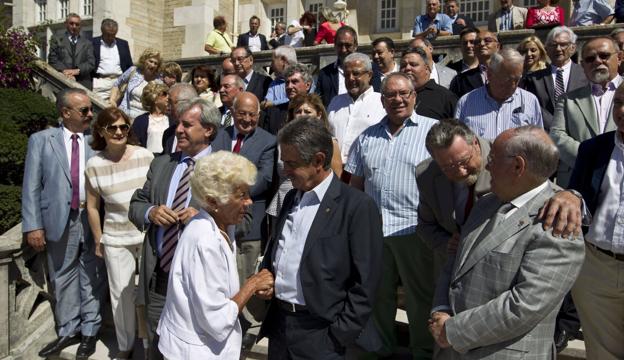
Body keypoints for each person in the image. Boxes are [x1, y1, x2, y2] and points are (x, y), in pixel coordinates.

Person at [418, 119, 585, 356]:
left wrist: (453, 330)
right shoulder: (485, 204)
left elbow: (523, 307)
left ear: (518, 166)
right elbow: (454, 267)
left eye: (493, 160)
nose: (487, 167)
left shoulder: (558, 224)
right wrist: (440, 309)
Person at [258, 116, 384, 358]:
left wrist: (339, 334)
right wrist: (269, 276)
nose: (285, 170)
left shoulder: (356, 207)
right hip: (281, 328)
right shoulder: (290, 198)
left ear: (318, 161)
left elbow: (366, 282)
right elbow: (279, 249)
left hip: (323, 335)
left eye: (291, 163)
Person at [345, 73, 438, 358]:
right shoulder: (366, 137)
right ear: (382, 100)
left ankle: (423, 351)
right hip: (376, 234)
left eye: (403, 94)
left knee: (420, 299)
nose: (397, 99)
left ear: (414, 97)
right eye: (390, 95)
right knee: (378, 298)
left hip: (415, 231)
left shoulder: (433, 131)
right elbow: (356, 188)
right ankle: (380, 350)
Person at [157, 151, 274, 359]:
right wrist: (252, 285)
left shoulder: (223, 226)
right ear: (213, 202)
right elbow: (216, 319)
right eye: (241, 196)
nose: (249, 202)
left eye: (248, 193)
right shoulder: (205, 240)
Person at [128, 97, 221, 359]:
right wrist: (151, 212)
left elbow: (244, 221)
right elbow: (136, 204)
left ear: (208, 130)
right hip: (160, 277)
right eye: (178, 123)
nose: (178, 129)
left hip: (199, 282)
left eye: (187, 125)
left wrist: (205, 217)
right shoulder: (162, 164)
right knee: (158, 348)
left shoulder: (224, 168)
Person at [22, 88, 105, 359]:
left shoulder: (98, 141)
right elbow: (31, 186)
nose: (90, 115)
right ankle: (69, 328)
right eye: (84, 110)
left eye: (91, 109)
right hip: (59, 220)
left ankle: (91, 330)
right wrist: (32, 225)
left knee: (92, 274)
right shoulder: (41, 140)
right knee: (62, 275)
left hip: (92, 218)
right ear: (65, 112)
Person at [85, 107, 154, 360]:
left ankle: (148, 345)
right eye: (112, 127)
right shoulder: (94, 165)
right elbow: (92, 207)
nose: (118, 131)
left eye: (123, 127)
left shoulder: (145, 156)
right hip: (114, 238)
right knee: (120, 295)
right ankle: (125, 346)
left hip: (147, 235)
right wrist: (98, 238)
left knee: (147, 292)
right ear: (101, 131)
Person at [211, 92, 276, 346]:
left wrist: (230, 191)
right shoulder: (219, 136)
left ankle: (248, 322)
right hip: (218, 222)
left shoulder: (268, 141)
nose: (247, 119)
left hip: (250, 221)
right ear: (233, 113)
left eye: (252, 115)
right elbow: (209, 168)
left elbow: (264, 179)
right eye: (242, 114)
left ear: (258, 116)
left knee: (246, 273)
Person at [568, 83, 624, 360]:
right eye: (619, 103)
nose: (623, 111)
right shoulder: (594, 149)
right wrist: (570, 197)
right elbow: (578, 194)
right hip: (596, 267)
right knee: (602, 352)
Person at [550, 37, 622, 187]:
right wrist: (590, 158)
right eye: (590, 59)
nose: (597, 61)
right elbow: (557, 136)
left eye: (604, 55)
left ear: (620, 57)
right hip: (577, 180)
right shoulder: (567, 100)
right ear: (583, 65)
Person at [267, 94, 344, 223]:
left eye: (307, 111)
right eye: (298, 111)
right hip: (284, 199)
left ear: (319, 114)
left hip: (315, 202)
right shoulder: (283, 142)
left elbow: (337, 177)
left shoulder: (330, 142)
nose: (302, 115)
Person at [456, 48, 543, 140]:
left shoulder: (530, 100)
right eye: (507, 80)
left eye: (517, 80)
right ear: (489, 75)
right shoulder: (466, 103)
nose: (513, 85)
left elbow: (539, 143)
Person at [523, 26, 588, 131]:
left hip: (579, 134)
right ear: (547, 49)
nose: (558, 49)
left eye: (563, 45)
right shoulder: (534, 79)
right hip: (547, 135)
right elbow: (535, 107)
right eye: (553, 45)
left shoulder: (585, 74)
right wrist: (556, 126)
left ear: (573, 48)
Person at [328, 53, 386, 165]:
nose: (350, 78)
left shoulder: (381, 102)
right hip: (335, 170)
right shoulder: (335, 102)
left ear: (369, 75)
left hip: (366, 170)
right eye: (347, 74)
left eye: (356, 73)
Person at [316, 26, 382, 107]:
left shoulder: (370, 69)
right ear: (335, 46)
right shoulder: (325, 74)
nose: (343, 50)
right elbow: (318, 103)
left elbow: (377, 96)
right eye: (340, 45)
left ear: (355, 46)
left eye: (348, 45)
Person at [400, 48, 458, 120]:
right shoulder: (395, 97)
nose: (407, 68)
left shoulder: (446, 98)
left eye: (413, 64)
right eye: (403, 66)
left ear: (427, 69)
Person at [110, 48, 163, 119]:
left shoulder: (158, 81)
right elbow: (117, 84)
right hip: (124, 115)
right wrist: (112, 100)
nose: (153, 65)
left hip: (143, 120)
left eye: (156, 63)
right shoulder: (133, 71)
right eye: (151, 61)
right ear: (144, 60)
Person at [48, 13, 95, 89]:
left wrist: (77, 71)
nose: (74, 26)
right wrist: (65, 71)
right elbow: (52, 59)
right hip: (61, 81)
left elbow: (91, 63)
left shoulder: (87, 43)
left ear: (80, 26)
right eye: (71, 23)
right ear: (66, 24)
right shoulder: (56, 39)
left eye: (77, 24)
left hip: (82, 83)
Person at [264, 63, 313, 135]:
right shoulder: (273, 113)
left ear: (307, 85)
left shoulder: (315, 111)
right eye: (287, 82)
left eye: (294, 82)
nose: (289, 86)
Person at [92, 18, 133, 103]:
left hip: (119, 82)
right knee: (99, 108)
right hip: (101, 82)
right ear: (102, 31)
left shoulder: (123, 44)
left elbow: (129, 65)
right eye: (108, 34)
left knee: (117, 111)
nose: (111, 37)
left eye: (113, 34)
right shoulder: (92, 42)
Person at [450, 30, 500, 98]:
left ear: (498, 46)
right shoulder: (461, 80)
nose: (482, 44)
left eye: (487, 40)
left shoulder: (509, 72)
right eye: (477, 42)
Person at [132, 81, 172, 153]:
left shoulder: (172, 119)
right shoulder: (140, 121)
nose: (168, 97)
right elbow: (135, 144)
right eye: (164, 94)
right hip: (149, 159)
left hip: (168, 160)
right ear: (154, 98)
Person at [161, 83, 199, 154]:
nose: (167, 107)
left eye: (170, 103)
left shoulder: (204, 131)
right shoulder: (168, 134)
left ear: (186, 103)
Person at [263, 45, 298, 109]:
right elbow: (267, 103)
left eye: (273, 61)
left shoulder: (304, 79)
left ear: (283, 60)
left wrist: (274, 103)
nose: (271, 65)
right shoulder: (274, 83)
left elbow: (298, 100)